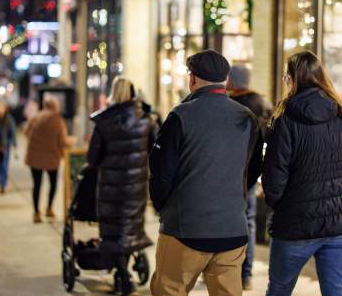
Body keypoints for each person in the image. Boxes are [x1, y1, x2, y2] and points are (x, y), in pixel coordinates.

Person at [149, 50, 262, 296]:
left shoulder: (181, 115)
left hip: (186, 227)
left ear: (193, 79)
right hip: (232, 228)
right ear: (224, 80)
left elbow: (161, 172)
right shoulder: (247, 118)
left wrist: (163, 207)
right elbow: (254, 168)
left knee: (169, 289)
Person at [262, 51, 342, 296]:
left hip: (295, 223)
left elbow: (274, 176)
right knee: (335, 291)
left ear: (292, 79)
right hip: (339, 224)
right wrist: (337, 187)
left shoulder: (285, 119)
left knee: (279, 290)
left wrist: (281, 203)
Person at [87, 77, 157, 295]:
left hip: (110, 186)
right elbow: (156, 152)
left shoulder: (104, 122)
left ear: (113, 93)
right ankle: (123, 274)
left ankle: (122, 275)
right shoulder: (147, 120)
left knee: (112, 231)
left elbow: (92, 158)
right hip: (135, 187)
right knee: (129, 229)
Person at [227, 64, 273, 290]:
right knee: (249, 221)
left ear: (232, 81)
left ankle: (226, 270)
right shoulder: (263, 104)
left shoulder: (230, 104)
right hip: (251, 172)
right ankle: (246, 274)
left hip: (228, 172)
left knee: (225, 221)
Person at [25, 96, 69, 223]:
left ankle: (36, 213)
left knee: (37, 185)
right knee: (53, 184)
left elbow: (26, 132)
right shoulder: (57, 120)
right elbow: (62, 141)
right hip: (52, 157)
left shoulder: (36, 117)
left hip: (35, 157)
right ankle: (49, 208)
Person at [0, 102, 17, 194]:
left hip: (5, 145)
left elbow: (13, 132)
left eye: (2, 108)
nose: (1, 110)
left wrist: (13, 143)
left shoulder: (9, 119)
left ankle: (3, 184)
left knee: (4, 165)